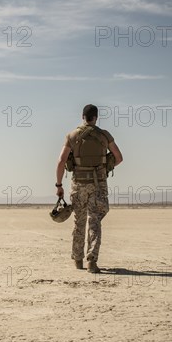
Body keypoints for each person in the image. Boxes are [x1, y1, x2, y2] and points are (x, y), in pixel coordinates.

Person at [55, 104, 123, 273]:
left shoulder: (72, 136)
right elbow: (119, 158)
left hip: (78, 184)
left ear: (82, 116)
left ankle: (78, 260)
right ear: (96, 117)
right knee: (95, 222)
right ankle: (92, 261)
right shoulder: (104, 136)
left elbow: (61, 161)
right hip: (98, 184)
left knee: (79, 221)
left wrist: (59, 185)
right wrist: (104, 167)